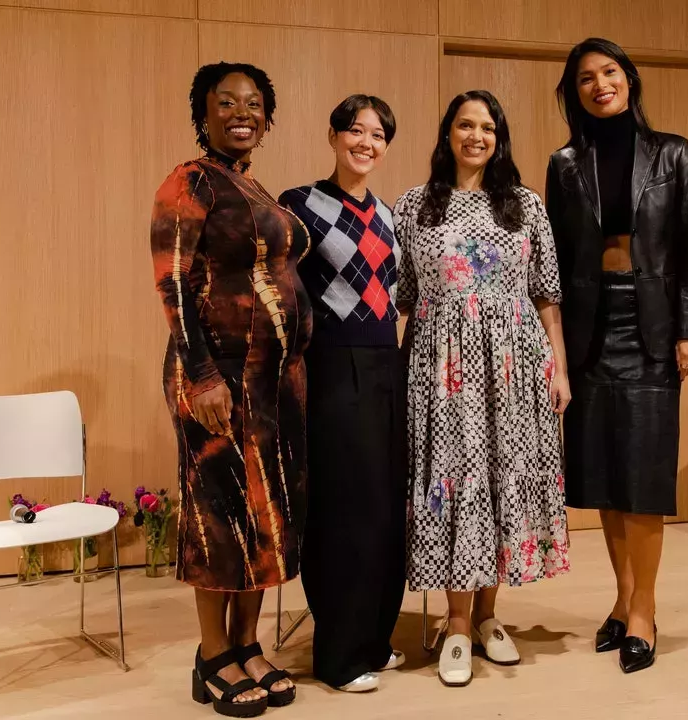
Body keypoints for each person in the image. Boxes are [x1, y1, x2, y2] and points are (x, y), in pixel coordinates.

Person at [394, 90, 572, 688]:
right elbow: (402, 299)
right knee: (455, 478)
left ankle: (491, 616)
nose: (477, 135)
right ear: (447, 133)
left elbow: (547, 294)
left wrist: (560, 368)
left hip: (516, 365)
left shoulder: (524, 206)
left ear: (500, 138)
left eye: (488, 126)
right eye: (466, 124)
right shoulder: (414, 206)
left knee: (502, 477)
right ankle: (456, 622)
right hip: (443, 371)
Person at [544, 37, 688, 675]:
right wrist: (553, 346)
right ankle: (620, 599)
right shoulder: (564, 163)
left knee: (642, 476)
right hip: (588, 329)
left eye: (609, 72)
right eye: (585, 78)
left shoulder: (673, 153)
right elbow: (552, 260)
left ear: (629, 80)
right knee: (607, 477)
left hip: (651, 328)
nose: (599, 84)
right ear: (574, 92)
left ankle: (645, 610)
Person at [150, 61, 304, 716]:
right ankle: (211, 654)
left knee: (263, 516)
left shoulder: (256, 188)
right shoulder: (189, 182)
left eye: (254, 104)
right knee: (218, 515)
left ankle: (247, 645)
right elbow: (174, 284)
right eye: (227, 102)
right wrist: (204, 374)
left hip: (272, 382)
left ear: (266, 118)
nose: (242, 112)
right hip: (216, 376)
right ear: (204, 112)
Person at [278, 95, 407, 694]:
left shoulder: (390, 214)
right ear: (332, 136)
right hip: (331, 366)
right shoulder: (299, 206)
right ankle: (338, 654)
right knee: (343, 511)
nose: (366, 143)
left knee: (383, 508)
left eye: (378, 135)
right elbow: (283, 296)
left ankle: (375, 641)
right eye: (355, 130)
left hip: (388, 366)